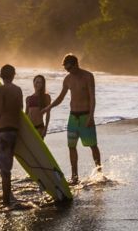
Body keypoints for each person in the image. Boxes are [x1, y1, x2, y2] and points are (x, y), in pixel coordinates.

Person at [47, 54, 100, 185]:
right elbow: (60, 98)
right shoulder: (67, 79)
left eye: (69, 68)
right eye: (66, 69)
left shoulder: (88, 76)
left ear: (76, 64)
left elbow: (92, 98)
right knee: (71, 147)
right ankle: (74, 176)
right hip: (73, 117)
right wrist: (48, 107)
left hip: (85, 116)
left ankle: (99, 173)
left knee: (92, 146)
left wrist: (91, 117)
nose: (68, 71)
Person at [0, 64, 22, 205]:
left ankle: (6, 202)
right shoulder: (18, 90)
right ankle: (8, 197)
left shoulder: (0, 90)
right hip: (15, 131)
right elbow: (19, 111)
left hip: (3, 132)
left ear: (1, 75)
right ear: (13, 75)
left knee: (4, 170)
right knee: (8, 167)